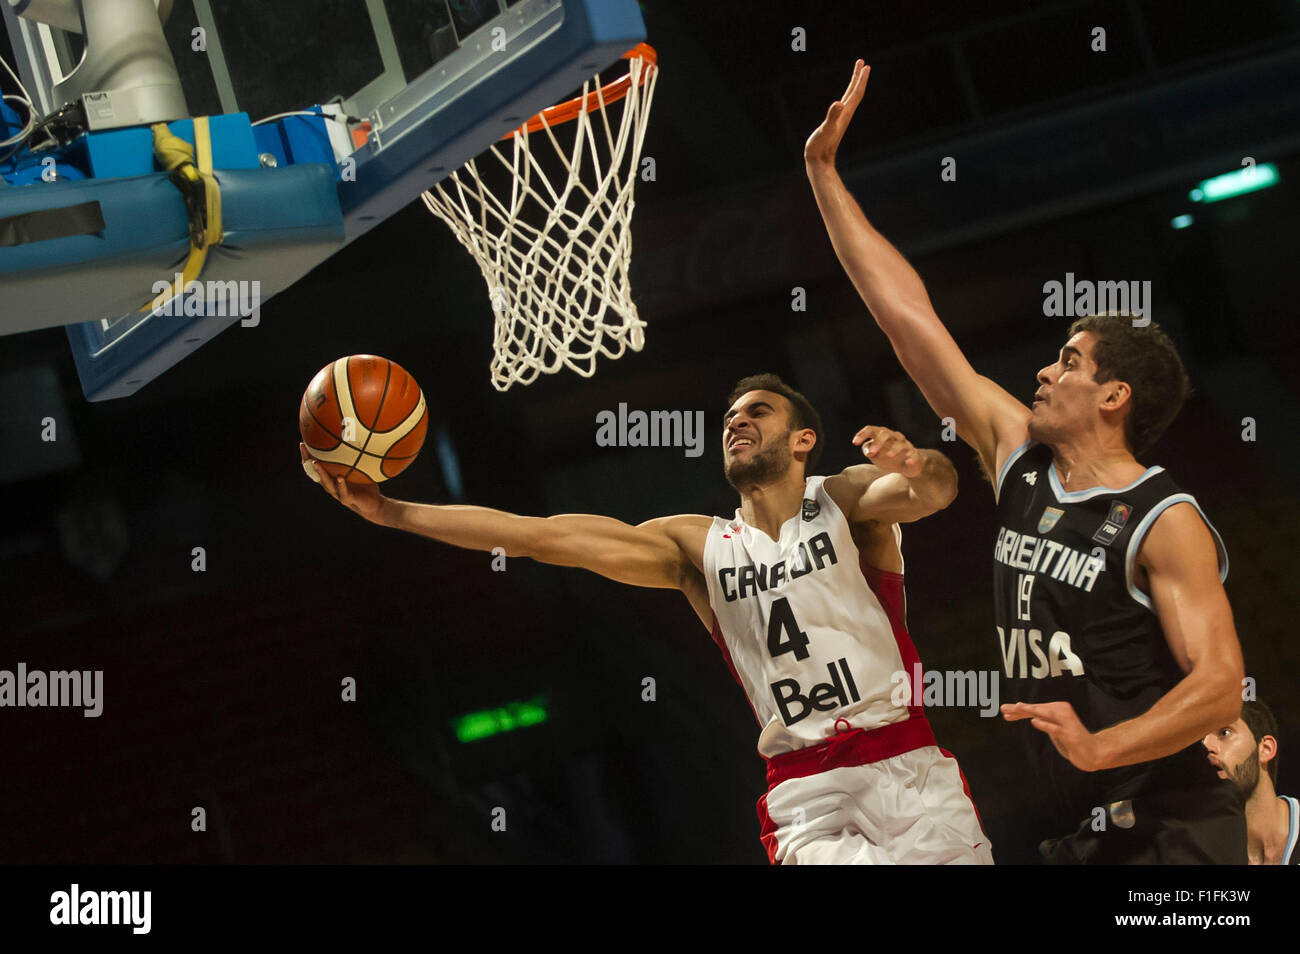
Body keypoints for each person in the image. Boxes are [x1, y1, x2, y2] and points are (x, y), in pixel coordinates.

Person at [804, 60, 1246, 863]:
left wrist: (1104, 749)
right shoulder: (1020, 460)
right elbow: (911, 320)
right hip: (1082, 826)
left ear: (1113, 397)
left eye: (1069, 362)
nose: (1044, 371)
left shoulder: (1162, 520)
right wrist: (824, 175)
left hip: (1174, 824)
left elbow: (1219, 684)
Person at [301, 373, 992, 864]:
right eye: (728, 418)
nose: (735, 421)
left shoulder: (841, 498)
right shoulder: (693, 545)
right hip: (808, 789)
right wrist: (391, 513)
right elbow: (537, 535)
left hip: (907, 763)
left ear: (805, 438)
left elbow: (932, 492)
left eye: (757, 411)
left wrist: (919, 459)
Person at [1203, 701, 1298, 864]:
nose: (1206, 746)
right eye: (1201, 740)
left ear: (1265, 749)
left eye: (1225, 732)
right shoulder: (1199, 851)